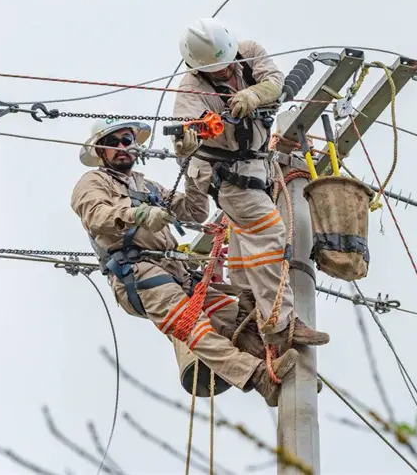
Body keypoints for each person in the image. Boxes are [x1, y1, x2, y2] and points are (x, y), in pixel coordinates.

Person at [70, 117, 296, 406]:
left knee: (240, 316)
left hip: (178, 274)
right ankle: (256, 375)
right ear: (101, 151)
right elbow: (96, 216)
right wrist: (137, 214)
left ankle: (276, 366)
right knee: (193, 325)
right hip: (137, 273)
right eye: (113, 143)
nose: (122, 147)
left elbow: (194, 211)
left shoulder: (148, 186)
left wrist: (189, 163)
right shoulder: (92, 182)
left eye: (126, 140)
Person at [172, 17, 330, 352]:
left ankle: (248, 313)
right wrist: (187, 140)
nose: (224, 71)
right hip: (227, 175)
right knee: (270, 237)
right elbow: (185, 134)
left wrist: (253, 94)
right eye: (216, 69)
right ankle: (281, 324)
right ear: (199, 67)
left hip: (257, 167)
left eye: (226, 63)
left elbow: (274, 81)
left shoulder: (249, 52)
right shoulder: (191, 90)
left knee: (247, 248)